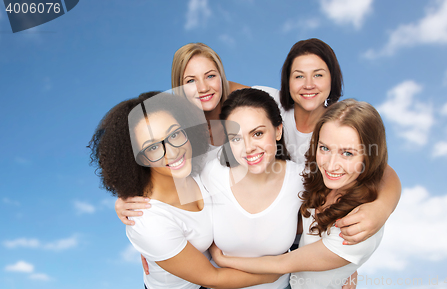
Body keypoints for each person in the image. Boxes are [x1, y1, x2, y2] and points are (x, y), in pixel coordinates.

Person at [116, 39, 400, 245]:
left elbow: (377, 166)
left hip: (295, 234)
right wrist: (127, 195)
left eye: (211, 76)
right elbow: (158, 167)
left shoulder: (265, 104)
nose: (203, 88)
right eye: (190, 81)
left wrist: (380, 209)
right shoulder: (180, 135)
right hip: (225, 243)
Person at [88, 91, 279, 289]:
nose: (173, 152)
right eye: (152, 147)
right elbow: (212, 277)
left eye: (175, 134)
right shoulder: (147, 221)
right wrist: (275, 274)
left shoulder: (201, 165)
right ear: (136, 158)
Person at [209, 99, 388, 289]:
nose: (331, 164)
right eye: (325, 148)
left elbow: (282, 264)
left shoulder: (358, 225)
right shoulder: (323, 183)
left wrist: (223, 260)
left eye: (348, 153)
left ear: (369, 156)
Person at [202, 88, 304, 289]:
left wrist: (343, 268)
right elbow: (167, 203)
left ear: (278, 131)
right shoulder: (211, 174)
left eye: (257, 133)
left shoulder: (301, 179)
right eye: (236, 138)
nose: (248, 148)